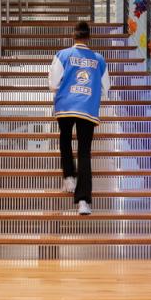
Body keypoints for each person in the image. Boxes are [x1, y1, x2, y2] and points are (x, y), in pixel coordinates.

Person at [49, 22, 111, 215]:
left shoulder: (62, 55)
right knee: (84, 152)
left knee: (65, 139)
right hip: (87, 108)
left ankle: (69, 177)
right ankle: (83, 202)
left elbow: (52, 84)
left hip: (66, 104)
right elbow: (106, 89)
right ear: (88, 37)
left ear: (73, 36)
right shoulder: (99, 59)